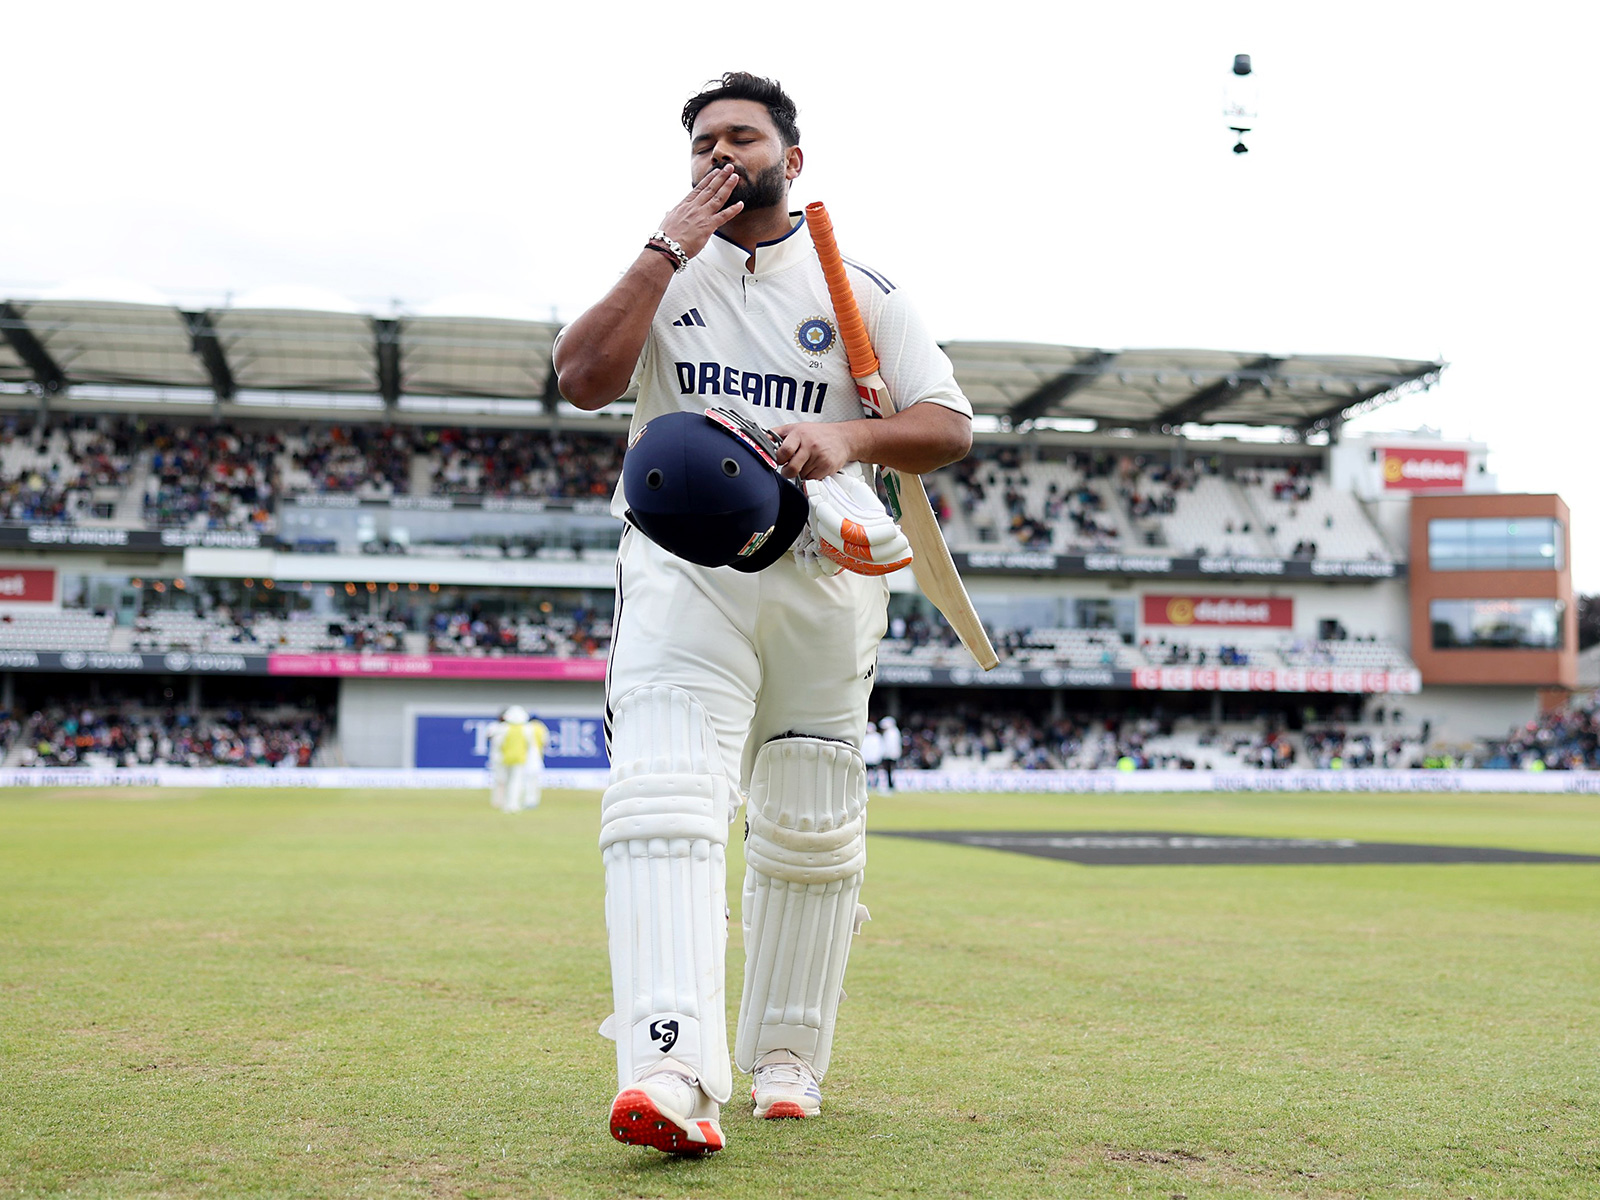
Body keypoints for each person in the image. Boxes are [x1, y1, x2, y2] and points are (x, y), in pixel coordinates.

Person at [552, 71, 973, 1156]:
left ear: (794, 156)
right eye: (702, 145)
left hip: (827, 577)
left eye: (741, 138)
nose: (720, 156)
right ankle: (667, 1064)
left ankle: (787, 1059)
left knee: (809, 821)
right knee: (664, 795)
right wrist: (661, 247)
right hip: (682, 570)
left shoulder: (860, 293)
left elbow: (946, 427)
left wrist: (852, 441)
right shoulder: (662, 278)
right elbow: (582, 381)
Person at [486, 705, 549, 813]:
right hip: (519, 759)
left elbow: (498, 744)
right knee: (516, 782)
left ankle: (506, 805)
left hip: (505, 759)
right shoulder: (527, 729)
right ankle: (513, 804)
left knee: (505, 782)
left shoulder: (504, 728)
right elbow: (530, 746)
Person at [878, 714, 902, 791]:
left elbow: (889, 745)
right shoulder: (894, 731)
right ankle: (890, 784)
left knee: (890, 770)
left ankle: (891, 785)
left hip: (890, 755)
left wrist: (885, 754)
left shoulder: (891, 732)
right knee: (890, 771)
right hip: (892, 755)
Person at [862, 720, 884, 791]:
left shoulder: (877, 737)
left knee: (875, 772)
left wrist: (878, 756)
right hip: (867, 758)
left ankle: (875, 784)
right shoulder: (864, 737)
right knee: (866, 772)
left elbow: (880, 748)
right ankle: (866, 784)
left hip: (874, 759)